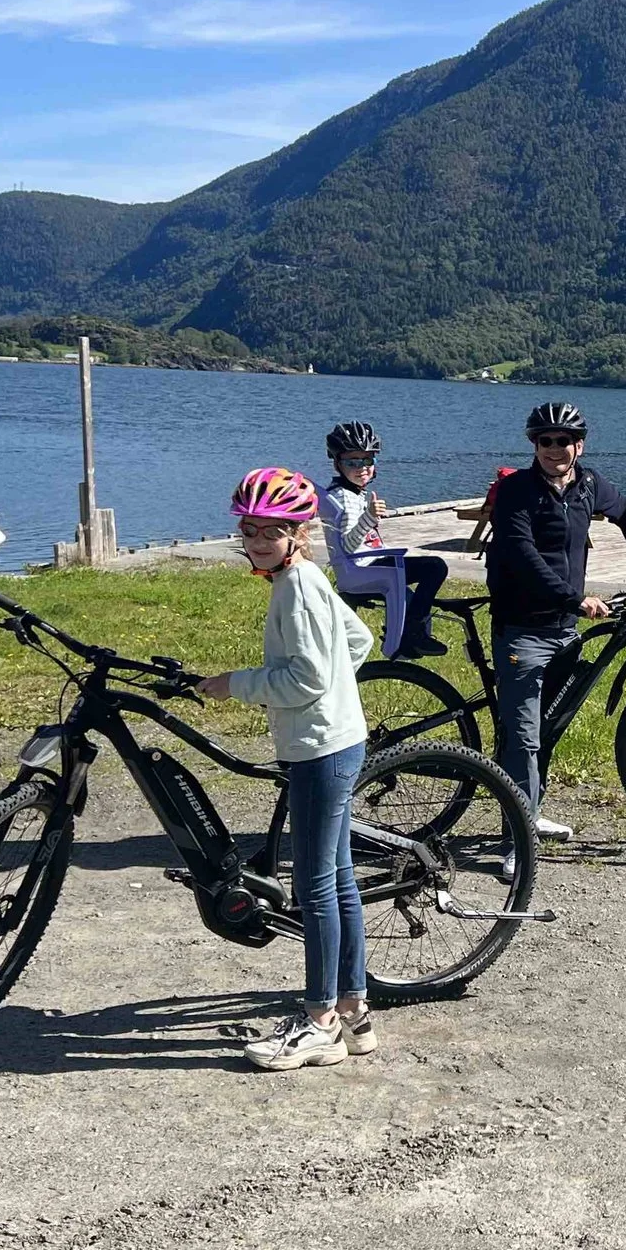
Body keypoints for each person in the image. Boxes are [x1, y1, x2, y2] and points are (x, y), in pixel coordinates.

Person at [197, 466, 378, 1071]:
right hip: (338, 738)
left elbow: (305, 679)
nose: (256, 542)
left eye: (271, 532)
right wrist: (336, 694)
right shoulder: (306, 579)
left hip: (320, 749)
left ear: (298, 534)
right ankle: (353, 1011)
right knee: (339, 878)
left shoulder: (296, 588)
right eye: (249, 531)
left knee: (315, 887)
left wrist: (236, 683)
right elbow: (358, 642)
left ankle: (320, 1021)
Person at [483, 400, 626, 839]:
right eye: (545, 440)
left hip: (564, 632)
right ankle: (515, 843)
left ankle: (528, 814)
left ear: (579, 445)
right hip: (522, 631)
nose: (555, 448)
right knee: (524, 738)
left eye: (564, 440)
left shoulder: (588, 485)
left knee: (546, 728)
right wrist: (575, 599)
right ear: (534, 445)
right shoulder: (516, 491)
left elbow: (625, 512)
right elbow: (523, 556)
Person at [318, 420, 448, 659]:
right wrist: (369, 517)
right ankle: (413, 632)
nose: (362, 468)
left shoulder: (352, 493)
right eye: (352, 462)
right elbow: (348, 546)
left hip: (367, 564)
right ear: (337, 464)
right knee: (435, 567)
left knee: (419, 573)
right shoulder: (344, 497)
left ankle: (407, 632)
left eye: (367, 460)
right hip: (362, 568)